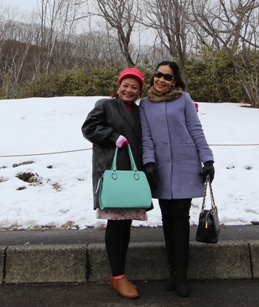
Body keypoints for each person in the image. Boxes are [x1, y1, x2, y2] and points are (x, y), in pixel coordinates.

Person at [139, 61, 215, 298]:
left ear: (175, 81)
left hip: (185, 165)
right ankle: (172, 271)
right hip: (161, 168)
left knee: (180, 218)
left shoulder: (184, 100)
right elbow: (146, 136)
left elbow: (196, 130)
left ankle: (181, 273)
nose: (161, 80)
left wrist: (208, 160)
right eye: (158, 75)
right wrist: (149, 161)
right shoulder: (145, 104)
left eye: (167, 77)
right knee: (167, 219)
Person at [81, 67, 147, 299]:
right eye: (125, 85)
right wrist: (112, 136)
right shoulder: (105, 105)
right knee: (116, 223)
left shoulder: (140, 112)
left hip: (133, 173)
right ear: (118, 86)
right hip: (112, 172)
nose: (129, 90)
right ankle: (117, 275)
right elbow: (89, 128)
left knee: (125, 223)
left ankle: (118, 274)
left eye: (134, 87)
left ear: (140, 91)